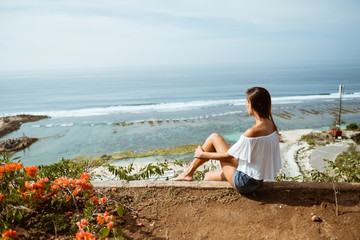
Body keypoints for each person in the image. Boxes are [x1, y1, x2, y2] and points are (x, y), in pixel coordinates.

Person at [171, 87, 281, 193]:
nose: (246, 105)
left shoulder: (252, 131)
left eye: (246, 102)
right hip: (257, 179)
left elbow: (228, 156)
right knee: (207, 176)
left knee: (214, 137)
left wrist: (202, 154)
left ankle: (187, 173)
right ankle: (188, 173)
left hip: (244, 182)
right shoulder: (271, 125)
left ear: (251, 104)